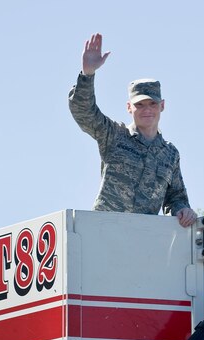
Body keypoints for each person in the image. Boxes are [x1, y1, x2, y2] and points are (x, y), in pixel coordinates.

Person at [68, 33, 197, 228]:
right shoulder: (114, 135)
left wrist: (183, 210)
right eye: (140, 105)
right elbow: (84, 112)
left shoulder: (170, 154)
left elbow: (175, 197)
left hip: (142, 237)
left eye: (152, 104)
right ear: (129, 107)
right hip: (103, 229)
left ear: (162, 106)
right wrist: (87, 75)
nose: (147, 110)